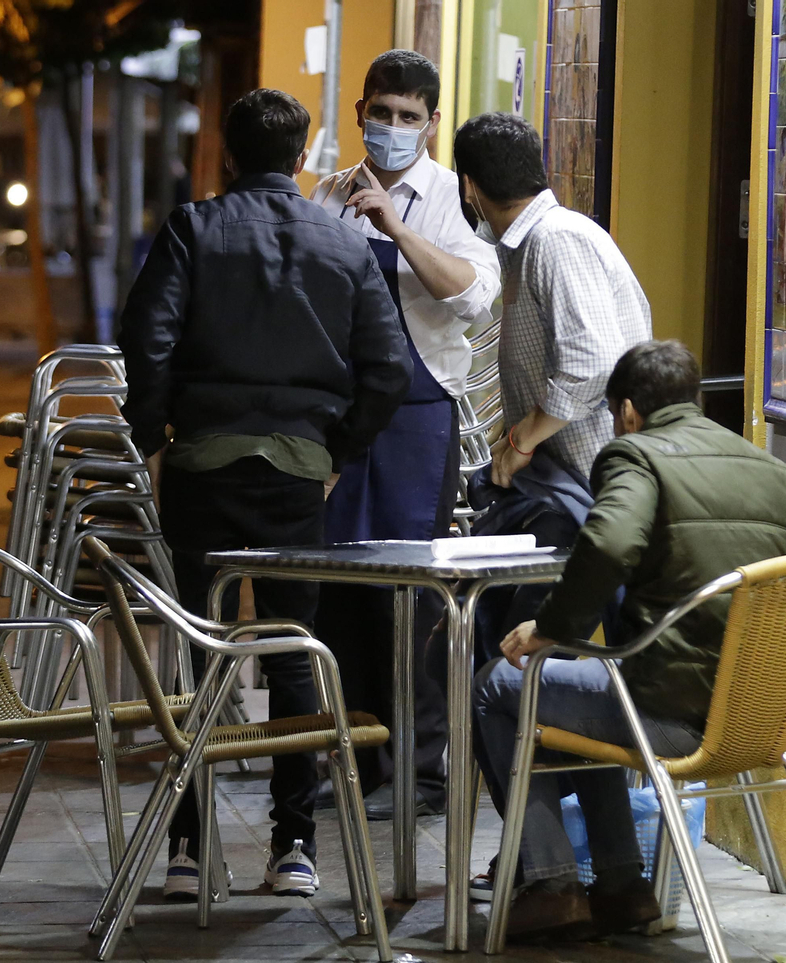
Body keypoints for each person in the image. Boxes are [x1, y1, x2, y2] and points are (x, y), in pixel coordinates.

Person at [115, 88, 412, 901]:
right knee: (293, 650)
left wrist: (149, 434)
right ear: (302, 155)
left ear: (228, 153)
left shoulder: (192, 228)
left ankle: (186, 848)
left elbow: (148, 338)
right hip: (296, 474)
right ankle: (294, 846)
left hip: (203, 466)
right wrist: (335, 450)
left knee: (195, 651)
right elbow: (388, 370)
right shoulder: (344, 245)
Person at [472, 340, 786, 942]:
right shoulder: (770, 469)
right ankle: (622, 888)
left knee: (503, 685)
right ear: (694, 400)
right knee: (588, 694)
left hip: (666, 714)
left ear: (626, 411)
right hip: (757, 717)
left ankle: (552, 884)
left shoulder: (636, 455)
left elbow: (609, 543)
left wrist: (550, 631)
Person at [307, 49, 502, 820]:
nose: (392, 129)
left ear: (432, 124)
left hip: (420, 414)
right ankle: (352, 755)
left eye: (408, 118)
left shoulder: (452, 199)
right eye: (381, 113)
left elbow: (473, 296)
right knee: (338, 588)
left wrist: (394, 226)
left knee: (410, 595)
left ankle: (420, 771)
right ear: (359, 112)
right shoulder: (324, 194)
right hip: (339, 414)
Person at [446, 112, 651, 665]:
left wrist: (521, 443)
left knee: (514, 661)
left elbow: (591, 364)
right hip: (569, 490)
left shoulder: (557, 240)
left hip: (591, 491)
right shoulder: (532, 242)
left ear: (470, 186)